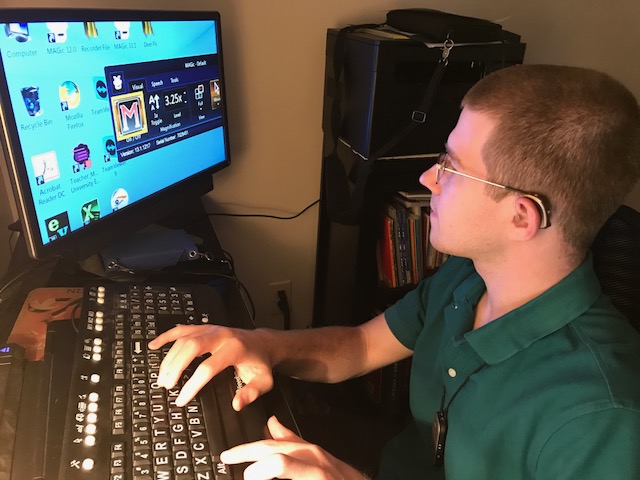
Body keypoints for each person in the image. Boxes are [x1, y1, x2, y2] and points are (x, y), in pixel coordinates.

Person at [149, 64, 640, 479]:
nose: (428, 178)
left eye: (451, 166)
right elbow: (361, 346)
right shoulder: (470, 278)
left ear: (521, 216)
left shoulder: (602, 419)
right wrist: (262, 343)